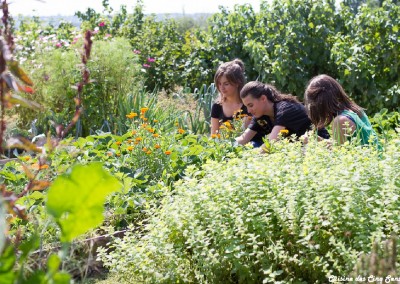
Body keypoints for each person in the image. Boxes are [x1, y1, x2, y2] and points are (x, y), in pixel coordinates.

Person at [235, 81, 329, 150]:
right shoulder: (260, 115)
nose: (248, 111)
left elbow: (270, 145)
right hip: (297, 151)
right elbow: (243, 139)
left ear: (263, 98)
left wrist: (248, 160)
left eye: (250, 105)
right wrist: (225, 148)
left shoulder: (285, 109)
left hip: (320, 148)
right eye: (247, 106)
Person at [304, 74, 379, 146]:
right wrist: (318, 141)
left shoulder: (340, 120)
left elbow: (337, 153)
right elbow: (341, 145)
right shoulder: (355, 110)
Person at [211, 59, 251, 135]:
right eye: (219, 84)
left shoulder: (248, 105)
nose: (222, 88)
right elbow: (214, 135)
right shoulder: (217, 106)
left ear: (237, 83)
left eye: (226, 84)